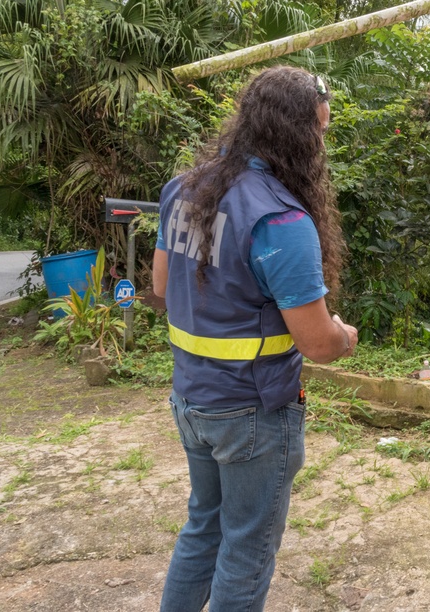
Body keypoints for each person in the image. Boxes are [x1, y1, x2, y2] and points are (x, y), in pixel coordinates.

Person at [152, 65, 358, 612]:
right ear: (298, 131)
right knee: (247, 548)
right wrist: (344, 336)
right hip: (253, 411)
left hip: (190, 398)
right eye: (321, 129)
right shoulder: (281, 218)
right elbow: (316, 343)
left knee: (204, 527)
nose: (322, 141)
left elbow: (157, 284)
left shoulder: (181, 190)